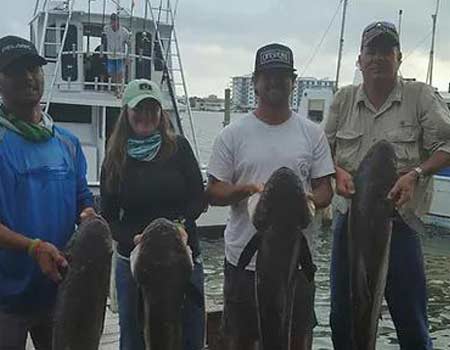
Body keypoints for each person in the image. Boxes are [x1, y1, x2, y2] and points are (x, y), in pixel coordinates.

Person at [325, 21, 450, 350]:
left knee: (411, 321)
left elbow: (447, 145)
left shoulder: (419, 96)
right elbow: (321, 153)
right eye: (371, 51)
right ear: (359, 59)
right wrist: (336, 171)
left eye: (386, 51)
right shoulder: (343, 100)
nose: (378, 58)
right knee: (343, 317)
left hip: (401, 225)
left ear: (399, 57)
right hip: (349, 224)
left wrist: (416, 173)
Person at [207, 43, 335, 350]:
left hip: (297, 262)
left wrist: (309, 199)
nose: (274, 82)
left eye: (281, 75)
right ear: (255, 82)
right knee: (240, 339)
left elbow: (325, 189)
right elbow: (213, 190)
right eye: (267, 75)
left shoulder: (312, 133)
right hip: (243, 262)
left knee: (297, 338)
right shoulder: (232, 134)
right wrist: (246, 190)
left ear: (293, 81)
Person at [0, 35, 95, 349]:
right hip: (5, 301)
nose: (28, 77)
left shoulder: (66, 142)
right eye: (15, 71)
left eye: (34, 68)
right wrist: (32, 247)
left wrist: (89, 214)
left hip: (59, 293)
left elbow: (83, 196)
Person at [100, 79, 205, 350]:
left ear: (161, 113)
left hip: (182, 258)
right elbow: (109, 218)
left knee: (190, 334)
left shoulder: (179, 148)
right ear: (126, 112)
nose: (146, 116)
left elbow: (198, 197)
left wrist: (181, 224)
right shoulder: (114, 158)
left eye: (152, 109)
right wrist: (133, 238)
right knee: (134, 338)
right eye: (139, 109)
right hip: (136, 263)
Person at [103, 13, 131, 96]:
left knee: (120, 72)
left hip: (120, 55)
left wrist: (127, 56)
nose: (113, 23)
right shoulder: (106, 29)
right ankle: (117, 87)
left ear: (118, 21)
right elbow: (104, 38)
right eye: (112, 21)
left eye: (114, 21)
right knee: (111, 72)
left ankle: (119, 89)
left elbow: (128, 44)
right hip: (110, 55)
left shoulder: (124, 32)